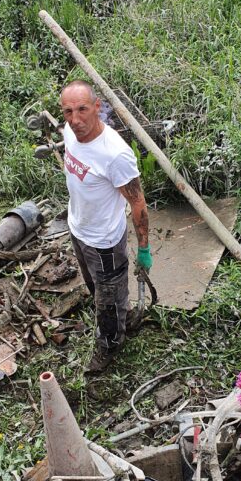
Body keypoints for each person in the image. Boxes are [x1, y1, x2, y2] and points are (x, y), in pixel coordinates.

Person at [60, 80, 152, 373]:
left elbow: (138, 203)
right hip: (78, 230)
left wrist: (145, 248)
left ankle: (110, 344)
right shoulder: (69, 133)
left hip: (105, 244)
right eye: (68, 111)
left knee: (109, 302)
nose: (75, 120)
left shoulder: (115, 154)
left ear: (97, 108)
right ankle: (112, 314)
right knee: (96, 290)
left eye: (83, 110)